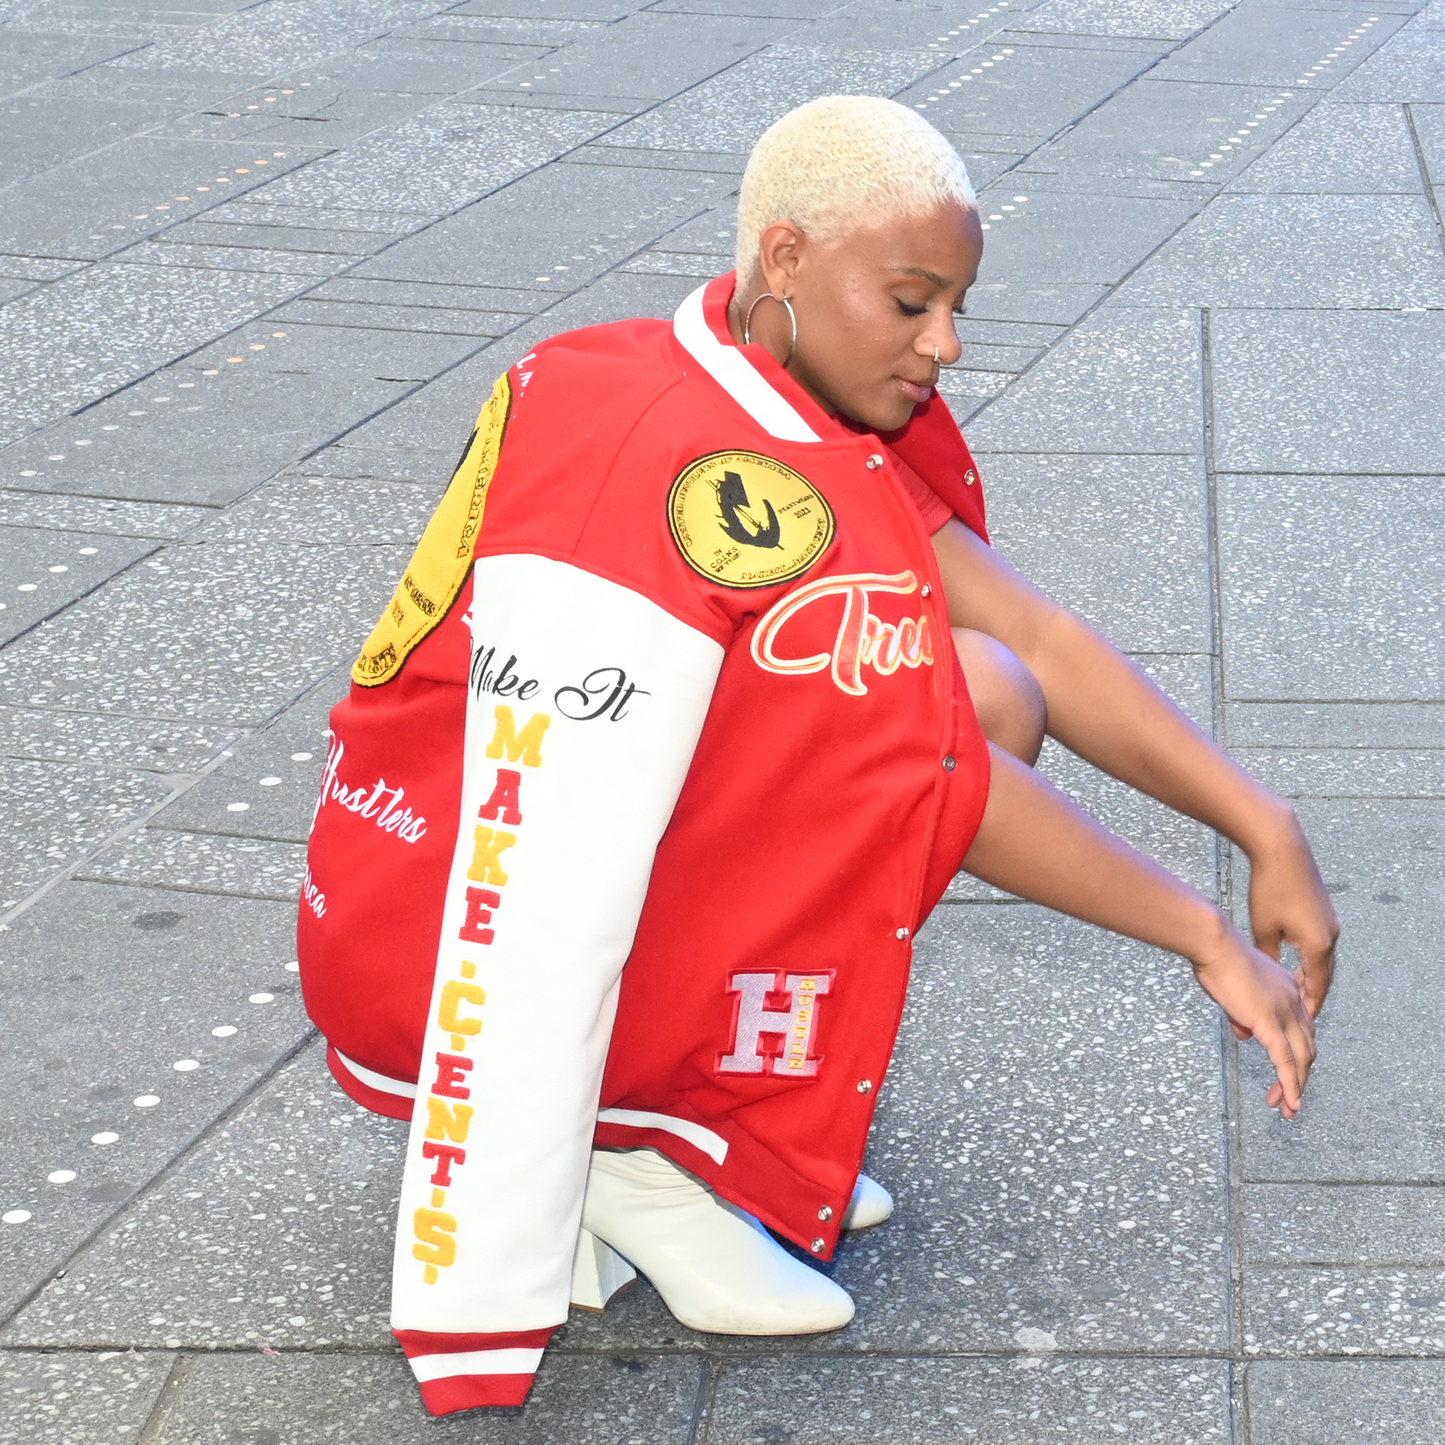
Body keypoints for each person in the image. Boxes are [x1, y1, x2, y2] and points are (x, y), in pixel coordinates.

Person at [297, 96, 1336, 1417]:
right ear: (784, 259)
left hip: (464, 860)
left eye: (954, 304)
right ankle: (645, 1148)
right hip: (444, 932)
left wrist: (1264, 825)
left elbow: (1031, 638)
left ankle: (666, 1120)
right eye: (910, 302)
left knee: (984, 682)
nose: (945, 343)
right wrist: (1205, 935)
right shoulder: (706, 463)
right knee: (912, 725)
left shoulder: (734, 379)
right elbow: (928, 782)